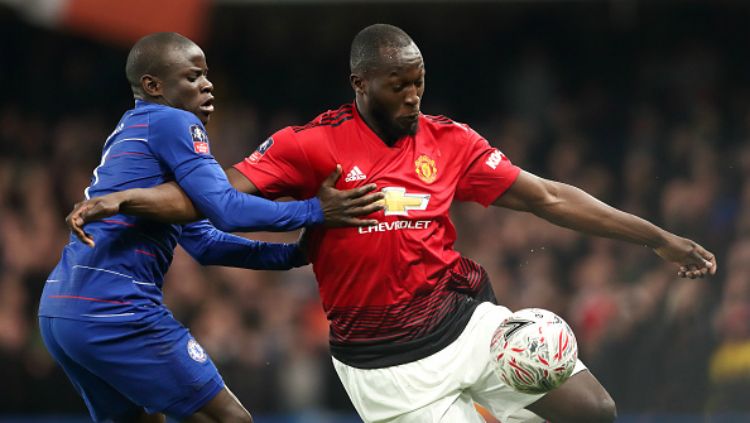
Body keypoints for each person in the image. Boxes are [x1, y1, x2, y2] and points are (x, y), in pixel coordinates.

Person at [67, 25, 717, 423]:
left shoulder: (450, 140)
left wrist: (657, 237)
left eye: (419, 83)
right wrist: (127, 198)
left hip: (466, 321)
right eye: (398, 86)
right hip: (383, 366)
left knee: (594, 410)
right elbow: (210, 194)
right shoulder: (308, 144)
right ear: (360, 83)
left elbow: (548, 198)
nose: (412, 97)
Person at [41, 32, 383, 423]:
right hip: (114, 308)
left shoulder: (130, 130)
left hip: (61, 311)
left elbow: (203, 242)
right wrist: (315, 210)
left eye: (205, 75)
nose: (207, 85)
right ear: (153, 86)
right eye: (192, 77)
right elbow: (226, 208)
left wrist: (293, 255)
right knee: (231, 420)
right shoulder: (174, 121)